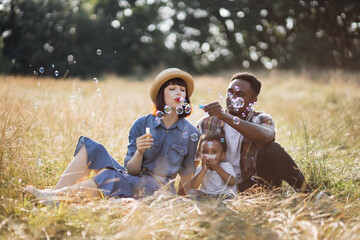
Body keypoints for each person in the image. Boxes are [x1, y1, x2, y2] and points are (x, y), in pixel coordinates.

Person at [25, 68, 200, 202]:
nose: (179, 93)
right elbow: (131, 170)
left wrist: (181, 204)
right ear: (161, 94)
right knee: (91, 147)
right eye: (172, 88)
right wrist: (139, 152)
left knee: (111, 176)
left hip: (158, 188)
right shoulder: (143, 124)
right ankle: (54, 195)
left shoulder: (190, 133)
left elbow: (186, 178)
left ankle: (54, 198)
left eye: (182, 90)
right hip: (135, 177)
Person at [197, 72, 311, 193]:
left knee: (271, 148)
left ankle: (307, 194)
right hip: (219, 186)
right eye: (230, 92)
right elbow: (191, 160)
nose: (232, 97)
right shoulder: (206, 123)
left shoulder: (261, 118)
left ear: (253, 100)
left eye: (240, 94)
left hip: (255, 185)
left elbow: (266, 137)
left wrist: (226, 117)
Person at [190, 131, 237, 197]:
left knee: (229, 197)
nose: (209, 155)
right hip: (207, 195)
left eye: (214, 152)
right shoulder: (201, 168)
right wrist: (204, 170)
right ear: (200, 155)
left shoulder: (226, 166)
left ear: (222, 155)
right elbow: (194, 186)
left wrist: (217, 168)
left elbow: (232, 182)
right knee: (191, 192)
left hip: (224, 195)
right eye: (205, 152)